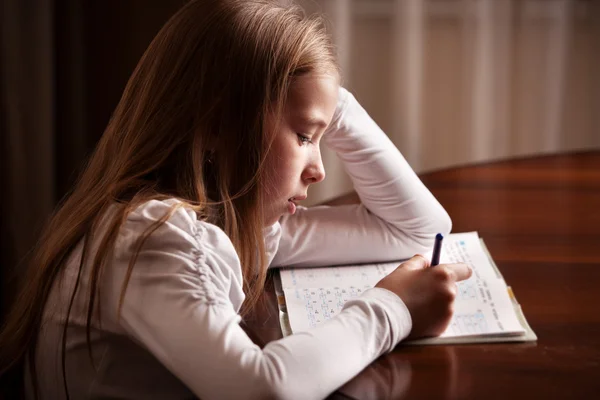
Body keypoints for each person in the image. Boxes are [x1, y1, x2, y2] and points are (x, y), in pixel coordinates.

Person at [0, 0, 472, 398]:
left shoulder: (234, 218)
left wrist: (331, 104)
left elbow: (419, 230)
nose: (320, 169)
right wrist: (394, 309)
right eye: (305, 136)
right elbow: (261, 390)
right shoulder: (150, 239)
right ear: (218, 126)